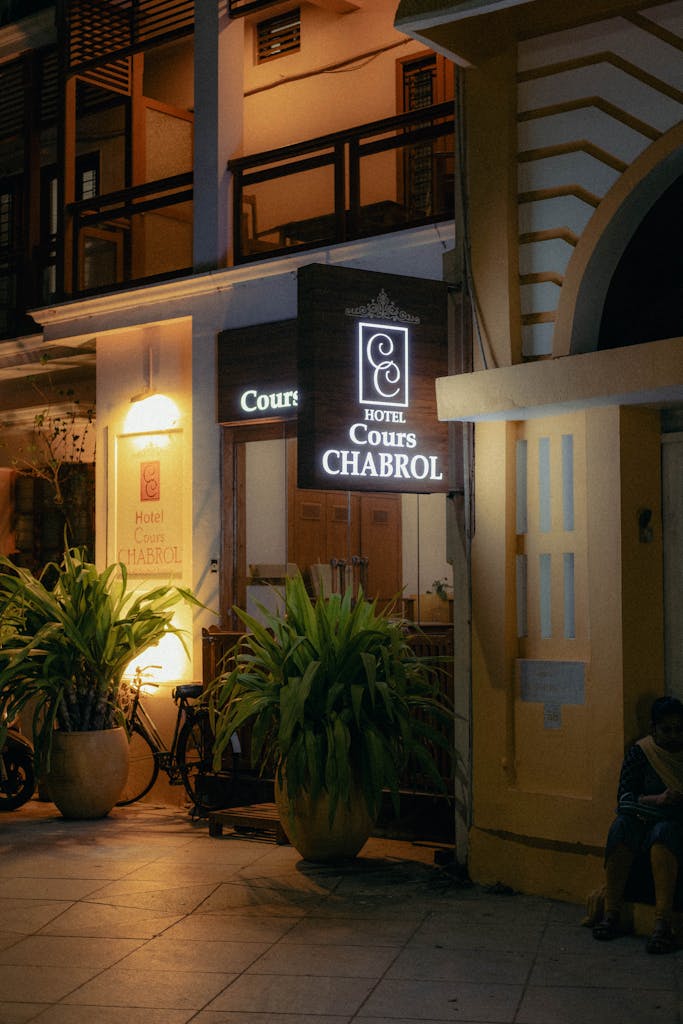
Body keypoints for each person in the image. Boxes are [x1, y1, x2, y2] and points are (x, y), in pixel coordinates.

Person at [593, 695, 683, 953]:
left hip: (673, 825)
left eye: (679, 730)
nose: (673, 736)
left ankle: (662, 924)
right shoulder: (642, 753)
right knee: (621, 827)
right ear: (653, 728)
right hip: (642, 818)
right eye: (666, 730)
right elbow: (624, 800)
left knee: (663, 834)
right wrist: (659, 799)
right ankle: (611, 913)